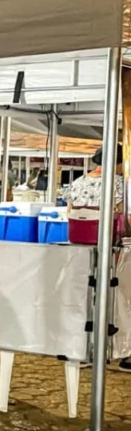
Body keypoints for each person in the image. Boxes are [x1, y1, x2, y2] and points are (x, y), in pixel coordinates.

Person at [64, 144, 131, 372]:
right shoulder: (120, 184)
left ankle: (87, 350)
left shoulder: (78, 182)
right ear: (119, 162)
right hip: (113, 250)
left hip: (81, 250)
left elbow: (69, 212)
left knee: (88, 299)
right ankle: (123, 352)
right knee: (120, 300)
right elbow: (126, 218)